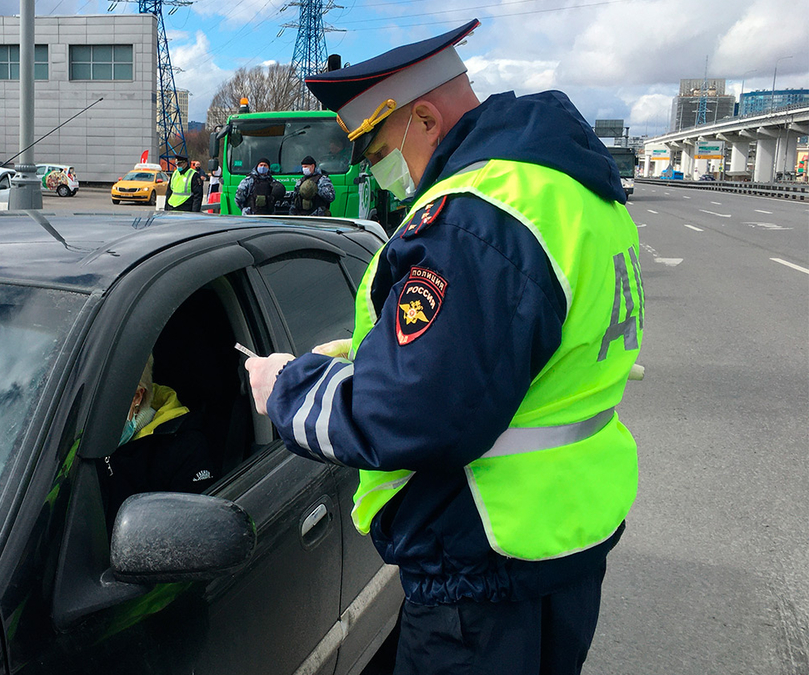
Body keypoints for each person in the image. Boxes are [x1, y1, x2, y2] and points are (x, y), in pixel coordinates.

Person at [244, 18, 643, 675]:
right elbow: (511, 350)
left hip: (483, 568)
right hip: (562, 541)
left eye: (375, 150)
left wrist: (288, 389)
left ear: (423, 118)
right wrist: (375, 353)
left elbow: (418, 408)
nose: (380, 171)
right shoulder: (573, 190)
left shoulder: (477, 215)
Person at [99, 354, 216, 520]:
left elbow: (194, 527)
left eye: (102, 402)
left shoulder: (185, 447)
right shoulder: (69, 439)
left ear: (136, 397)